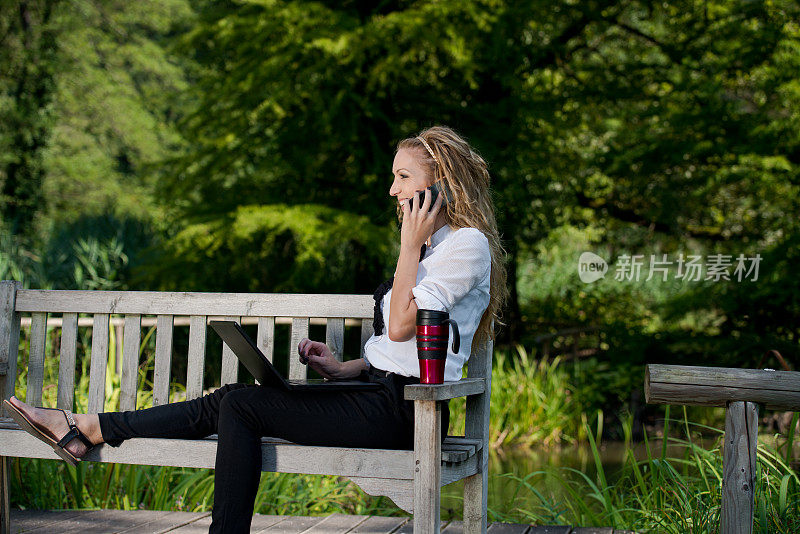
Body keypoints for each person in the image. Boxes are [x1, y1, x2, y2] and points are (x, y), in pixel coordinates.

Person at [5, 125, 508, 533]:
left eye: (402, 176)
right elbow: (395, 348)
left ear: (440, 180)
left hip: (408, 413)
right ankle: (90, 427)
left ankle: (90, 430)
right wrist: (342, 365)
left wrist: (407, 245)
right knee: (230, 399)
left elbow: (402, 327)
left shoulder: (465, 245)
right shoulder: (428, 248)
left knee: (240, 405)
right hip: (375, 392)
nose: (391, 189)